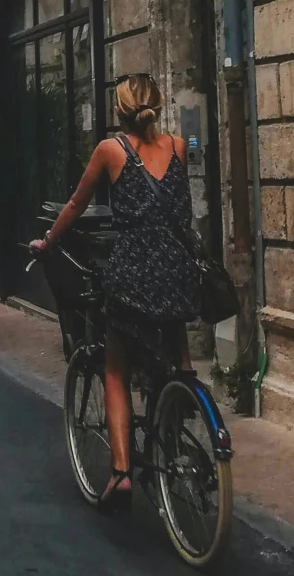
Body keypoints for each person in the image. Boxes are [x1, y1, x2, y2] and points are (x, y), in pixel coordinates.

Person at [30, 73, 201, 509]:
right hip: (179, 272)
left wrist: (48, 242)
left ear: (120, 109)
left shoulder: (112, 150)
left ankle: (122, 473)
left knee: (115, 369)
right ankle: (180, 410)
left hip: (133, 274)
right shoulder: (179, 148)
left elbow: (75, 205)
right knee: (176, 354)